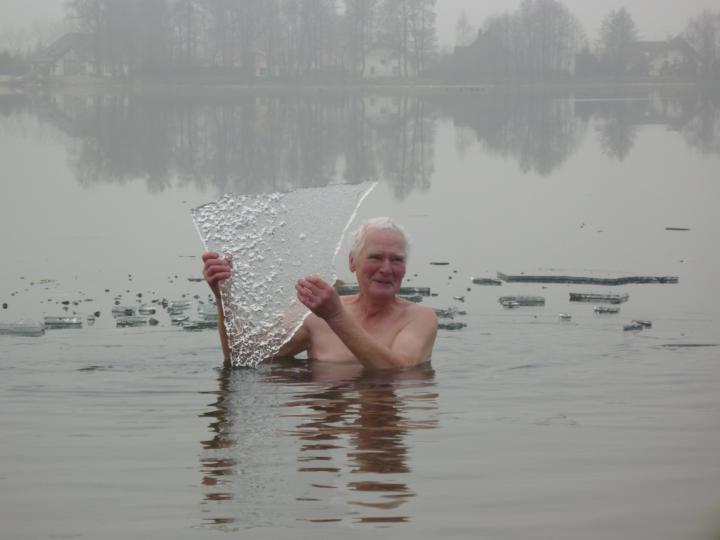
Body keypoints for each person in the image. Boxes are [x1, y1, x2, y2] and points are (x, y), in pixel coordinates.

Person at [202, 217, 437, 370]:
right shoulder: (316, 317)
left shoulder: (419, 318)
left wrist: (336, 317)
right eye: (375, 257)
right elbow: (241, 357)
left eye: (396, 260)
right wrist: (224, 298)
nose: (386, 269)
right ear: (352, 262)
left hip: (386, 420)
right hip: (334, 421)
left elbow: (399, 372)